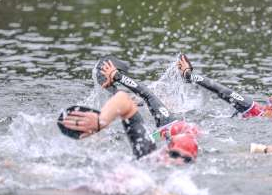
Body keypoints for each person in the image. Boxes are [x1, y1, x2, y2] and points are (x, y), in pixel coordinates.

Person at [59, 62, 199, 164]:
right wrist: (117, 76)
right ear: (166, 150)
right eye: (173, 155)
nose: (175, 161)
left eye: (185, 159)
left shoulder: (147, 156)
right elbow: (146, 95)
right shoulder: (170, 126)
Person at [176, 54, 272, 118]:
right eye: (269, 103)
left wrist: (188, 75)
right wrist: (190, 76)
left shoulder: (255, 111)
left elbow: (219, 89)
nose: (267, 107)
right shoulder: (254, 108)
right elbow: (219, 90)